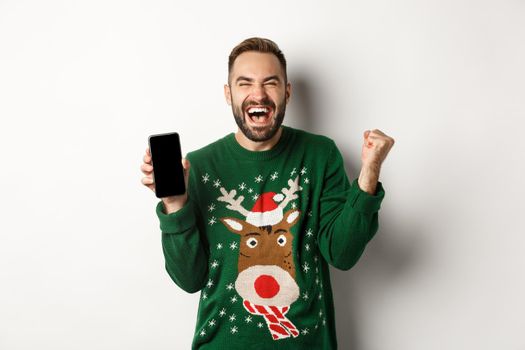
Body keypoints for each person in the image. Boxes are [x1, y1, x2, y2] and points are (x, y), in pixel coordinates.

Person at [140, 37, 394, 349]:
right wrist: (174, 203)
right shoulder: (199, 165)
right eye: (244, 83)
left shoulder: (320, 155)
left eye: (270, 83)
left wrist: (368, 175)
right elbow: (188, 279)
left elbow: (342, 254)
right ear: (228, 93)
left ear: (287, 91)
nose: (258, 94)